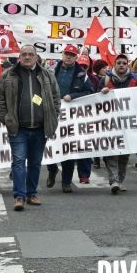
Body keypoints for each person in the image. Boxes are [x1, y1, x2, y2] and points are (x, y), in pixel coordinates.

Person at [0, 45, 61, 211]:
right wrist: (7, 119)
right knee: (18, 161)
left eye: (31, 55)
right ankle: (19, 196)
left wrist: (52, 115)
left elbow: (56, 98)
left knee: (35, 163)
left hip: (40, 128)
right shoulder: (8, 75)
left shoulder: (47, 75)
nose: (28, 57)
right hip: (18, 128)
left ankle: (31, 194)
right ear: (19, 57)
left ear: (36, 57)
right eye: (24, 54)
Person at [47, 44, 94, 192]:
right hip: (50, 114)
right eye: (66, 53)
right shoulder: (50, 71)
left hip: (69, 116)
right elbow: (38, 89)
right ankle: (52, 169)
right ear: (62, 54)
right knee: (49, 146)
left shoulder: (82, 74)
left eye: (71, 55)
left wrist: (72, 96)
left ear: (76, 57)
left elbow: (89, 92)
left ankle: (66, 181)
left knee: (67, 147)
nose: (68, 57)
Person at [99, 53, 137, 194]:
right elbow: (94, 99)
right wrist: (102, 92)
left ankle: (119, 180)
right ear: (114, 64)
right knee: (112, 152)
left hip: (128, 123)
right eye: (118, 63)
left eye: (124, 63)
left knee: (124, 154)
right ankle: (114, 181)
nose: (121, 65)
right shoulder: (106, 79)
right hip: (110, 122)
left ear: (127, 65)